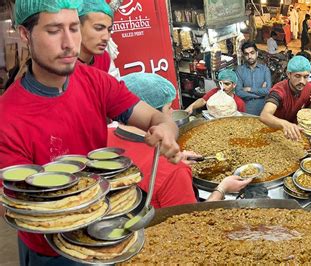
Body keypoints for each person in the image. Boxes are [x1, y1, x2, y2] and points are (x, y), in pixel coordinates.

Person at [0, 1, 181, 264]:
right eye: (53, 30)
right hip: (50, 252)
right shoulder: (7, 117)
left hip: (104, 232)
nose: (69, 43)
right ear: (25, 34)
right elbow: (18, 201)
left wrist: (166, 128)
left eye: (74, 28)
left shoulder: (96, 82)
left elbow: (156, 116)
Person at [108, 73, 253, 208]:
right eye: (169, 108)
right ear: (151, 113)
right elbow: (192, 223)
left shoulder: (104, 135)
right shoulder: (172, 171)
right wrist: (222, 188)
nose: (172, 113)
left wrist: (177, 157)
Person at [260, 55, 311, 141]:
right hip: (274, 131)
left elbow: (305, 111)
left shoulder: (308, 88)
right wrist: (285, 124)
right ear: (289, 74)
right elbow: (264, 116)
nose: (302, 81)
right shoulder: (279, 91)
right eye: (297, 76)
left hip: (294, 131)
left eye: (306, 76)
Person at [235, 41, 272, 115]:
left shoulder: (265, 70)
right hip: (246, 110)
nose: (249, 56)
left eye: (252, 53)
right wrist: (259, 94)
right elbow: (238, 92)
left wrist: (249, 89)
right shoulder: (239, 70)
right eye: (246, 54)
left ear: (257, 53)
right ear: (243, 56)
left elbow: (268, 91)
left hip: (263, 111)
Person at [78, 0, 113, 72]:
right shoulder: (64, 64)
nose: (106, 38)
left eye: (109, 30)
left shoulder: (104, 58)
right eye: (99, 28)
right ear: (77, 27)